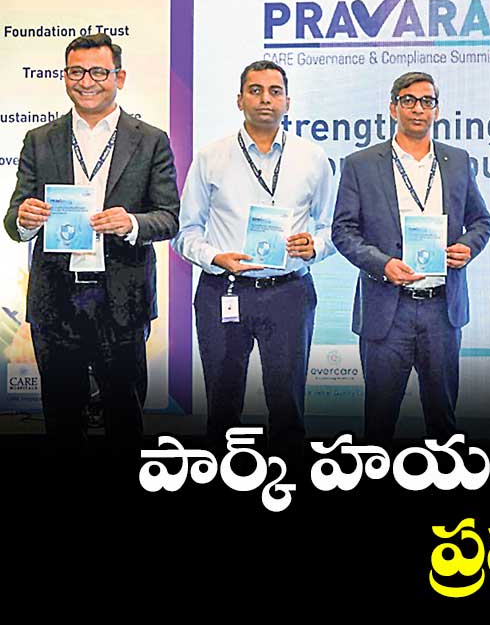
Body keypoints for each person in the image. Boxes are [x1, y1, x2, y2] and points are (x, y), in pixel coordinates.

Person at [3, 33, 179, 450]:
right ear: (65, 76)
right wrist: (25, 220)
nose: (86, 81)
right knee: (62, 419)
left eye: (99, 72)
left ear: (119, 77)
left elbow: (169, 217)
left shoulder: (151, 139)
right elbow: (13, 219)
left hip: (120, 299)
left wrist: (131, 223)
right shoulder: (39, 139)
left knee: (125, 417)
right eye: (76, 72)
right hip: (56, 299)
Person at [172, 60, 336, 451]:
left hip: (289, 292)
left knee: (288, 406)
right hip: (224, 291)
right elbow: (184, 231)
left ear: (288, 102)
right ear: (239, 99)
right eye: (256, 90)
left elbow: (334, 227)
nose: (265, 99)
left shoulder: (313, 157)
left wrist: (315, 246)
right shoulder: (210, 156)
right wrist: (216, 258)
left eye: (275, 91)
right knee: (222, 407)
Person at [332, 71, 490, 444]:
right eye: (409, 100)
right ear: (393, 108)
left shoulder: (458, 161)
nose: (418, 108)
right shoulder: (360, 164)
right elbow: (343, 230)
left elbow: (481, 221)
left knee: (444, 423)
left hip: (441, 309)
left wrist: (468, 246)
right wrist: (382, 264)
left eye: (427, 101)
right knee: (379, 423)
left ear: (437, 109)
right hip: (387, 308)